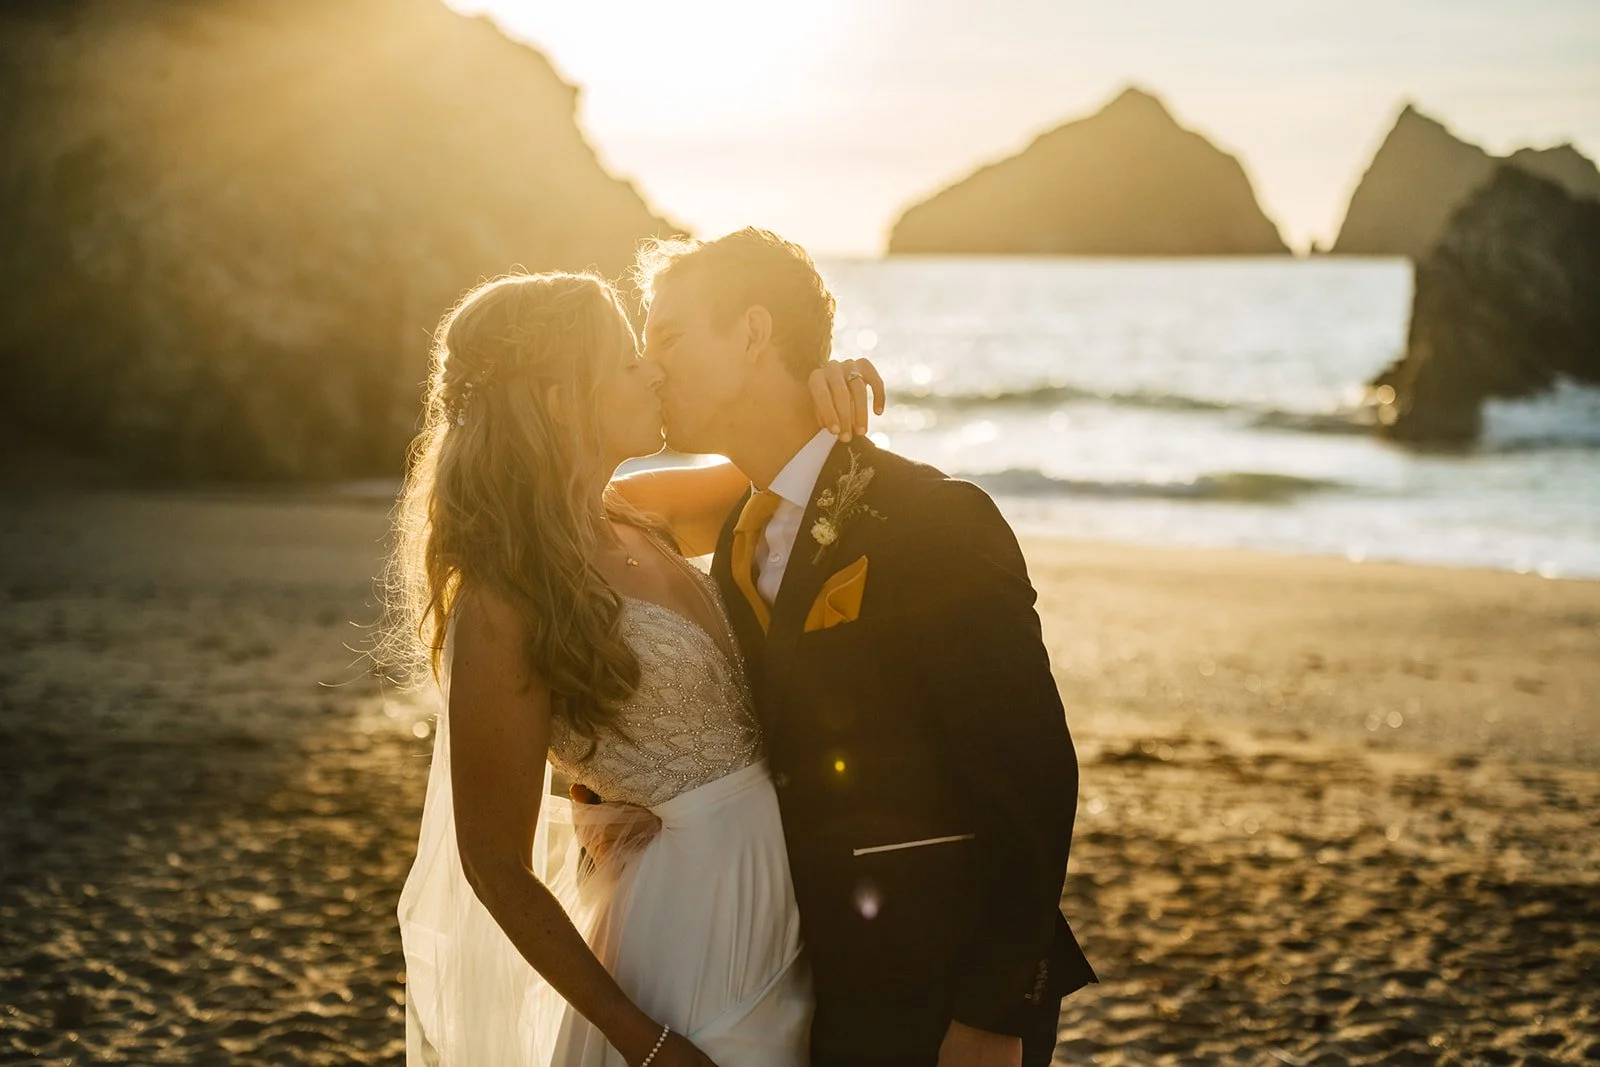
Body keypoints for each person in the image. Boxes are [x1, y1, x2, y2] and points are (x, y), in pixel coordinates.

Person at [622, 229, 1097, 1067]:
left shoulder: (935, 519)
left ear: (753, 333)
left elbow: (1033, 776)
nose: (651, 365)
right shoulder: (739, 532)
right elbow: (565, 502)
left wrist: (995, 1012)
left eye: (667, 335)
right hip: (811, 986)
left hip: (946, 992)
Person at [389, 270, 879, 1066]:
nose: (651, 369)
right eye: (625, 360)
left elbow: (812, 469)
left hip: (789, 905)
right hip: (684, 953)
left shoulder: (642, 510)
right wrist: (642, 1040)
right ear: (558, 400)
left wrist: (832, 390)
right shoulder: (505, 600)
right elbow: (494, 864)